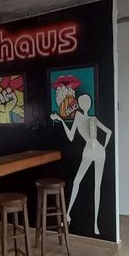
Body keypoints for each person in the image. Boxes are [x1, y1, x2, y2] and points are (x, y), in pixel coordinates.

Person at [51, 94, 111, 234]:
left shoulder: (80, 117)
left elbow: (70, 136)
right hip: (97, 151)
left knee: (81, 182)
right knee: (94, 185)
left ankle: (71, 215)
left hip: (91, 150)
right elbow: (109, 132)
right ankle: (93, 224)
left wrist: (61, 120)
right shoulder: (91, 118)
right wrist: (103, 146)